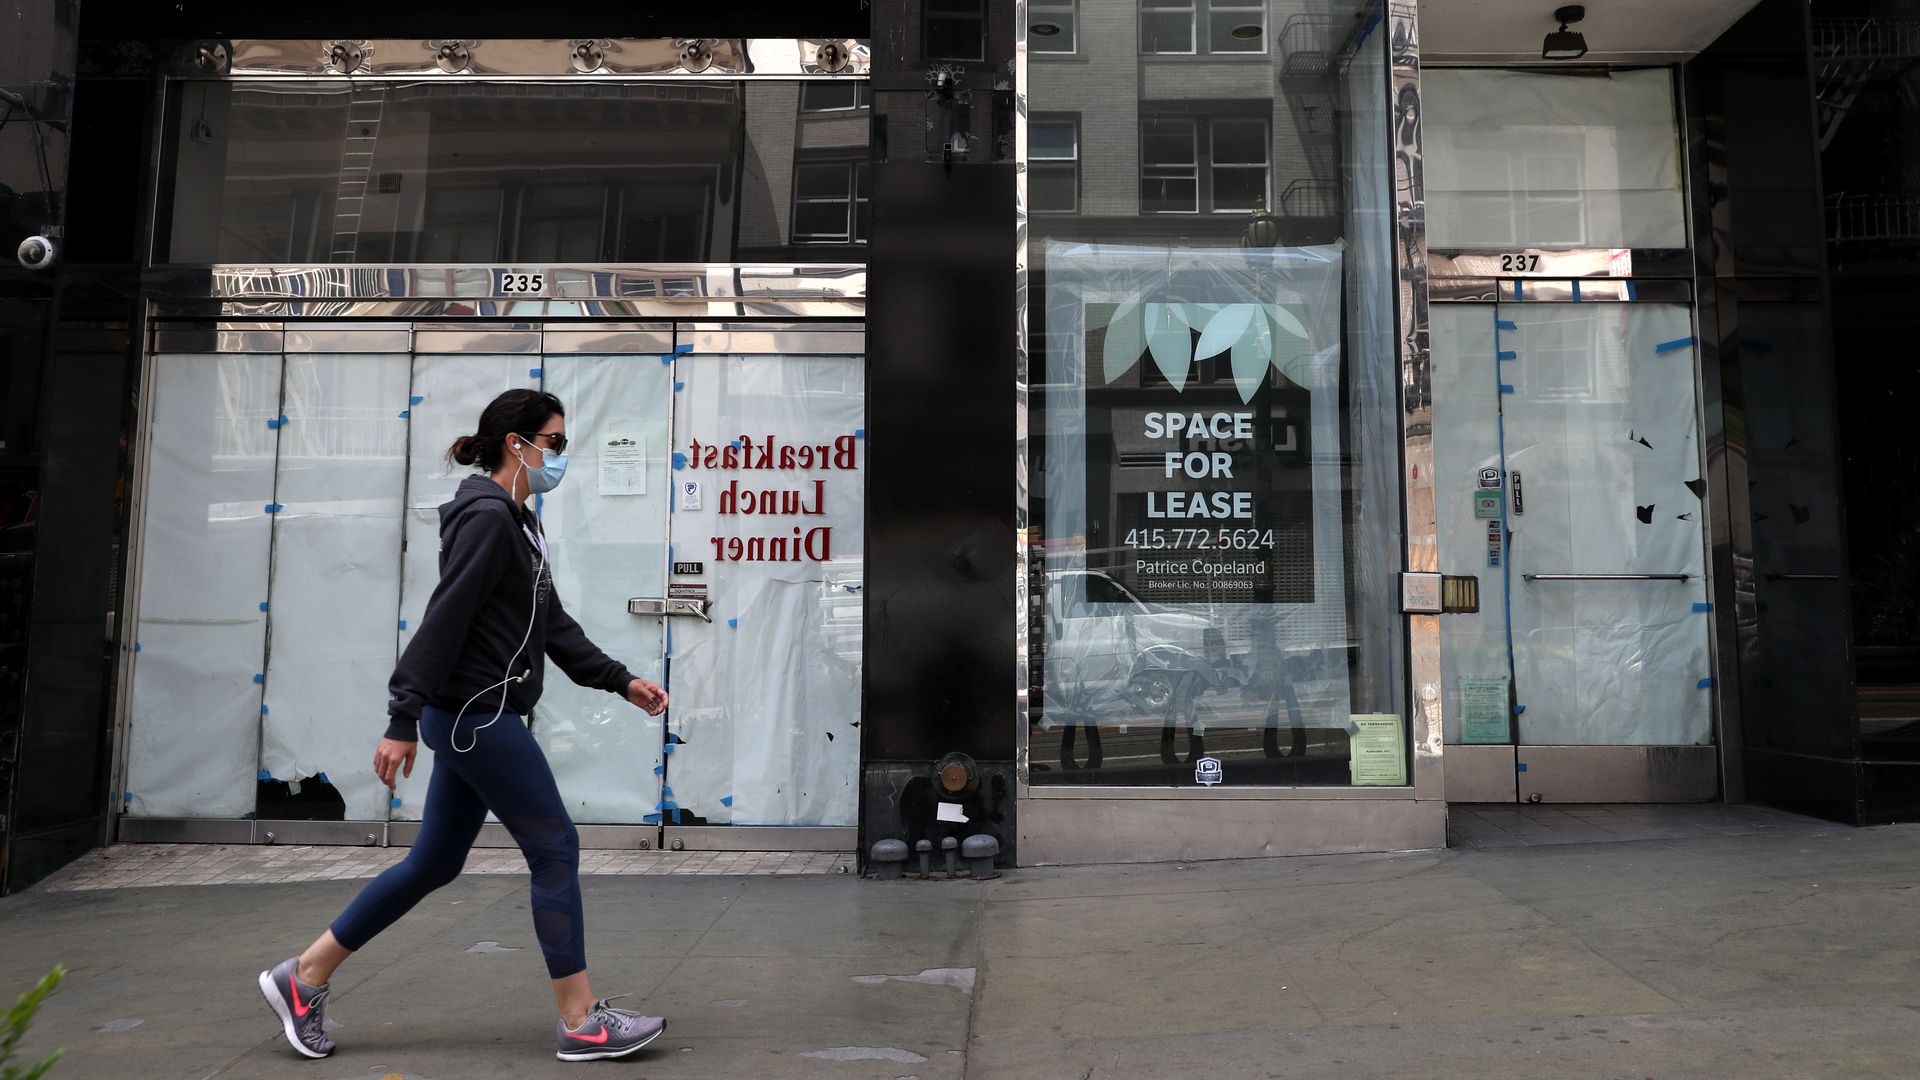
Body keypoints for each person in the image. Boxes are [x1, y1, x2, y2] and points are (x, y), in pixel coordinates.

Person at [257, 389, 670, 1063]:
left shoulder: (519, 521)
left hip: (473, 715)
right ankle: (580, 1020)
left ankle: (302, 977)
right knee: (555, 848)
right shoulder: (487, 519)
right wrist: (401, 716)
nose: (562, 457)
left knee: (434, 862)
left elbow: (553, 627)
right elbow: (444, 618)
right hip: (477, 717)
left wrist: (621, 680)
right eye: (556, 443)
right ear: (519, 443)